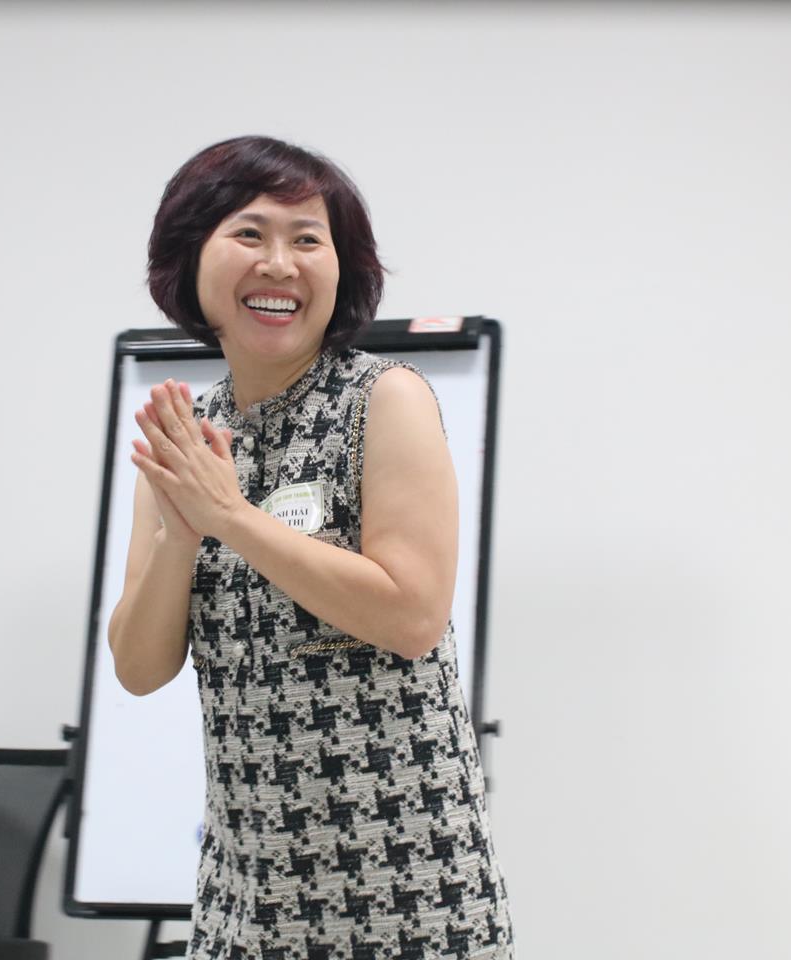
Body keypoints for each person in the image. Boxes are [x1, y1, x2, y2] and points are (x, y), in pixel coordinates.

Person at [108, 135, 515, 959]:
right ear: (191, 259)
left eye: (306, 239)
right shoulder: (188, 436)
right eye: (249, 234)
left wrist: (230, 517)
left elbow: (411, 617)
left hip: (404, 883)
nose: (279, 265)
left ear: (341, 268)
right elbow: (139, 668)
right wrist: (181, 536)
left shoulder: (385, 399)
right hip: (246, 884)